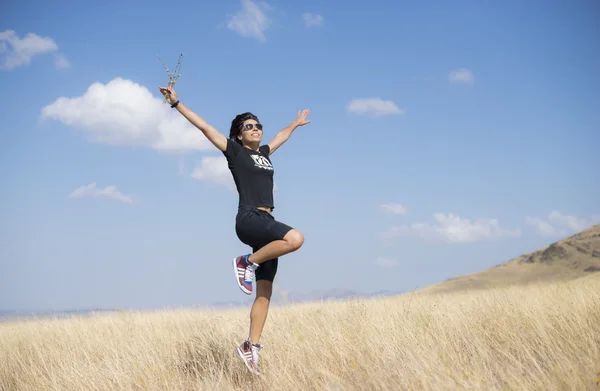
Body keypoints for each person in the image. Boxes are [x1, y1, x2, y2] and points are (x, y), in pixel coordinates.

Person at [158, 86, 310, 375]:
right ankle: (246, 262)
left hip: (266, 225)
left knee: (264, 292)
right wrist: (176, 103)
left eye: (258, 125)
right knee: (295, 238)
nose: (255, 129)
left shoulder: (264, 153)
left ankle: (250, 347)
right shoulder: (235, 152)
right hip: (250, 218)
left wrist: (295, 123)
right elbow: (204, 127)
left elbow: (280, 137)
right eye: (248, 126)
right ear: (239, 134)